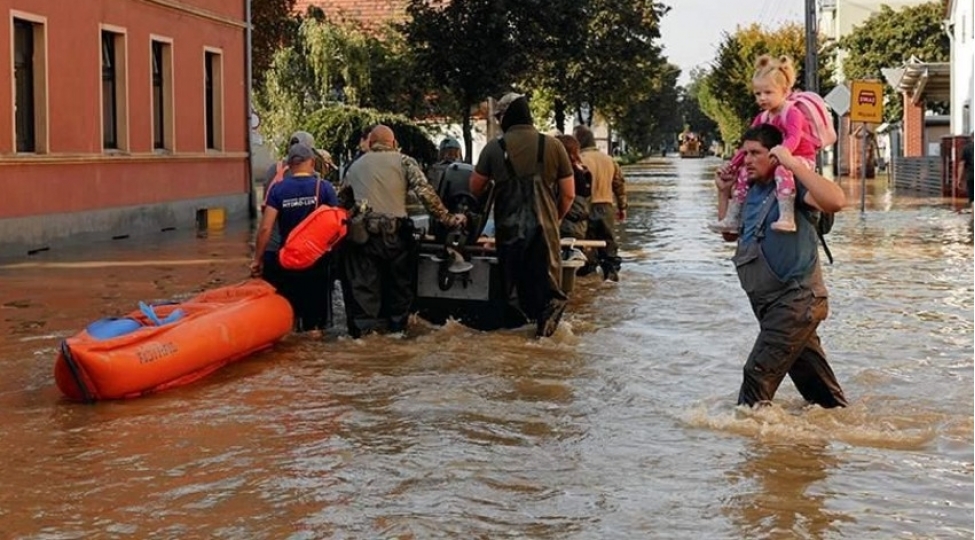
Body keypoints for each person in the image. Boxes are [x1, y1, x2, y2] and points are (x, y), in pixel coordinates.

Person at [714, 123, 848, 409]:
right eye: (744, 153)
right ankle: (839, 434)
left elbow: (836, 201)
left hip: (797, 301)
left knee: (756, 374)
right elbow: (729, 234)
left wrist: (794, 165)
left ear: (774, 155)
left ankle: (750, 441)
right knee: (819, 393)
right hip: (768, 305)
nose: (747, 160)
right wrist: (723, 193)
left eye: (755, 153)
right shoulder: (748, 191)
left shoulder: (791, 189)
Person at [340, 125, 466, 338]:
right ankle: (396, 333)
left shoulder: (355, 166)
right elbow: (426, 194)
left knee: (364, 293)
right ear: (394, 143)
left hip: (363, 239)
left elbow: (342, 201)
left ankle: (364, 338)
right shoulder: (405, 161)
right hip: (396, 238)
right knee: (399, 290)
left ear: (370, 144)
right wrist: (448, 219)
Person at [470, 93, 575, 337]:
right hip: (545, 232)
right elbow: (569, 194)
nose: (497, 121)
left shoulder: (494, 148)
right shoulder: (553, 145)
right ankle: (545, 340)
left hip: (509, 230)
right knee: (549, 294)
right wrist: (554, 220)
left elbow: (475, 188)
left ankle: (516, 345)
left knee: (513, 292)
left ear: (507, 115)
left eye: (498, 116)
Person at [710, 54, 817, 234]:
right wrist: (734, 165)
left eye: (768, 92)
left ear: (784, 91)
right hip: (777, 159)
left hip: (800, 159)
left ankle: (787, 216)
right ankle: (733, 217)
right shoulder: (762, 117)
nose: (762, 98)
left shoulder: (792, 113)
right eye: (758, 94)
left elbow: (794, 137)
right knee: (744, 174)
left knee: (782, 170)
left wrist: (781, 154)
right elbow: (747, 146)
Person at [252, 143, 339, 336]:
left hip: (289, 260)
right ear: (312, 162)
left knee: (290, 315)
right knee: (315, 323)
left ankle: (292, 356)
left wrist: (258, 259)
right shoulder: (324, 188)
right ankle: (313, 356)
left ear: (289, 165)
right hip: (318, 261)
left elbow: (266, 228)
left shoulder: (278, 190)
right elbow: (338, 224)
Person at [573, 124, 627, 282]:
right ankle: (611, 274)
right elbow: (619, 184)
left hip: (585, 208)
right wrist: (622, 207)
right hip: (606, 206)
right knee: (609, 243)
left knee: (586, 245)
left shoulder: (579, 161)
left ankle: (587, 281)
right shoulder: (609, 160)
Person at [555, 134, 592, 241]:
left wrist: (557, 218)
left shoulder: (567, 172)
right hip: (579, 226)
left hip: (564, 226)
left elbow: (568, 196)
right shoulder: (584, 171)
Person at [955, 134, 974, 212]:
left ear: (972, 138)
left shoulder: (966, 148)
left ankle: (973, 220)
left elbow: (961, 164)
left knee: (973, 199)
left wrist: (959, 179)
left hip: (971, 177)